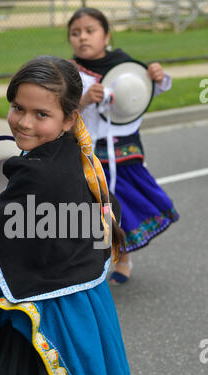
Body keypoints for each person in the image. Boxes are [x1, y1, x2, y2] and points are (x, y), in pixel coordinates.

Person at [0, 56, 136, 375]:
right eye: (18, 108)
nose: (24, 122)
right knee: (82, 374)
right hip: (85, 298)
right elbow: (94, 212)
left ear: (69, 118)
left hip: (45, 304)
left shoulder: (36, 172)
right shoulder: (78, 155)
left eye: (41, 114)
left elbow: (7, 225)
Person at [68, 7, 179, 284]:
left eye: (90, 31)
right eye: (75, 33)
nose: (83, 38)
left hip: (124, 152)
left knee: (121, 207)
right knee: (91, 208)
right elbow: (62, 109)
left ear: (106, 36)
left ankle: (123, 259)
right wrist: (82, 101)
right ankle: (88, 264)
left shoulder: (125, 64)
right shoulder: (69, 73)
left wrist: (155, 74)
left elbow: (143, 91)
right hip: (88, 152)